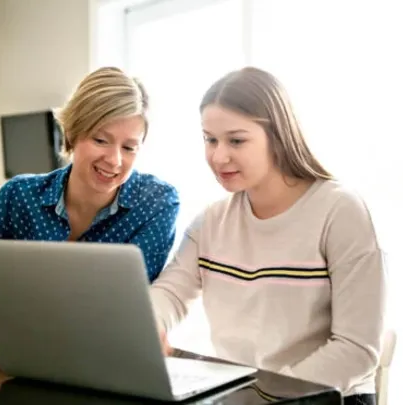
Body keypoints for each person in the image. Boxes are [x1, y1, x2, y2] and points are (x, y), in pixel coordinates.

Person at [150, 67, 386, 405]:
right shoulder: (211, 222)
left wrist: (267, 394)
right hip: (245, 396)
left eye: (236, 140)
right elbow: (170, 292)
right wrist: (150, 322)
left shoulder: (340, 211)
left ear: (277, 136)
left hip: (323, 397)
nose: (219, 156)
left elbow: (357, 349)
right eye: (210, 139)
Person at [0, 66, 180, 349]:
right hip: (12, 362)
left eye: (130, 147)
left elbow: (117, 307)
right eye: (101, 140)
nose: (115, 160)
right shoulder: (17, 196)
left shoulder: (157, 203)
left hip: (99, 363)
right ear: (71, 132)